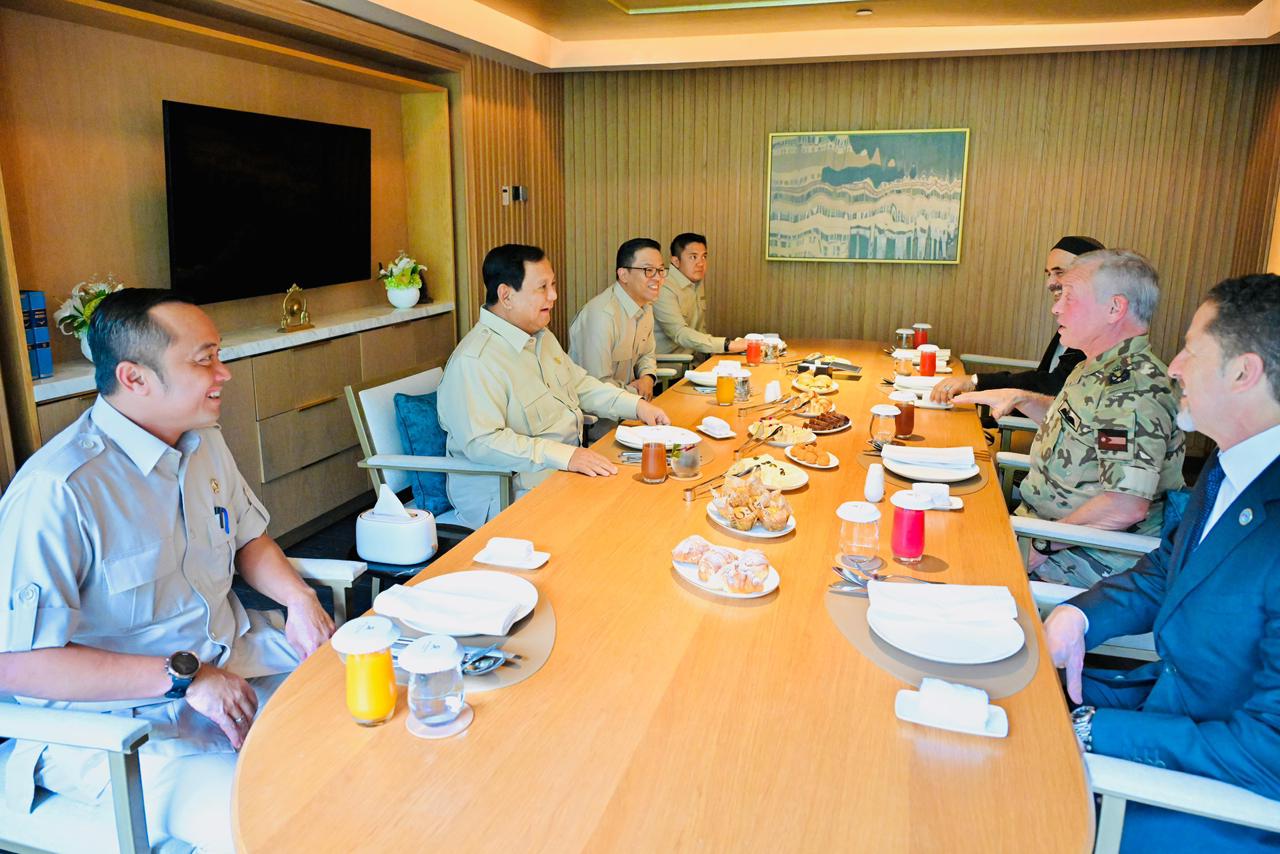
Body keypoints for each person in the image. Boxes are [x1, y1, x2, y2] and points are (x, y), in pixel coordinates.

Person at [0, 289, 334, 852]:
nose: (223, 374)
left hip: (238, 664)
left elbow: (248, 538)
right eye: (204, 359)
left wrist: (299, 600)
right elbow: (16, 665)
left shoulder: (203, 444)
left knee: (376, 722)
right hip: (120, 724)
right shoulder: (58, 490)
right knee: (276, 822)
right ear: (134, 379)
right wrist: (185, 678)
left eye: (218, 355)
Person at [1044, 274, 1280, 852]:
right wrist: (1081, 616)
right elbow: (1164, 573)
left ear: (1243, 372)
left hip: (1211, 802)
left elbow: (1267, 752)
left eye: (1191, 351)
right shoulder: (1231, 466)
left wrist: (1096, 730)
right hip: (1166, 704)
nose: (1173, 366)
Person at [955, 249, 1185, 587]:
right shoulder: (1096, 366)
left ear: (1114, 308)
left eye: (1069, 297)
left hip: (1089, 557)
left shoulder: (1131, 392)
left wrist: (1041, 545)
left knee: (953, 571)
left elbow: (1125, 505)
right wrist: (1022, 398)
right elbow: (1087, 431)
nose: (1056, 307)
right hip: (1042, 527)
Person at [437, 244, 670, 527]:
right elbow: (483, 443)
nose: (554, 295)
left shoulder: (540, 336)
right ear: (506, 295)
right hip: (509, 492)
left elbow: (579, 383)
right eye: (542, 287)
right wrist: (566, 456)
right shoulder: (475, 360)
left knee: (649, 495)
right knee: (621, 519)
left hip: (561, 470)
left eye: (553, 284)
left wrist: (636, 406)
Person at [930, 235, 1101, 404]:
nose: (1049, 283)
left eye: (1059, 272)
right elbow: (1044, 379)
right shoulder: (1071, 317)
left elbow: (1053, 385)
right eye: (1048, 274)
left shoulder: (1095, 331)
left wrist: (976, 382)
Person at [569, 237, 663, 401]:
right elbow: (597, 386)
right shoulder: (601, 316)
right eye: (648, 270)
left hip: (633, 404)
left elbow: (647, 354)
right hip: (600, 418)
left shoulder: (646, 307)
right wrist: (635, 393)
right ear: (624, 275)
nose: (657, 278)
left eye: (661, 270)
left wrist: (647, 378)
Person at [653, 232, 747, 357]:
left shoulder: (696, 281)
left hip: (697, 362)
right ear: (676, 261)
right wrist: (727, 345)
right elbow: (680, 333)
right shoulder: (663, 286)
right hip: (673, 368)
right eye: (693, 257)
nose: (701, 263)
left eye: (704, 257)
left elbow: (699, 330)